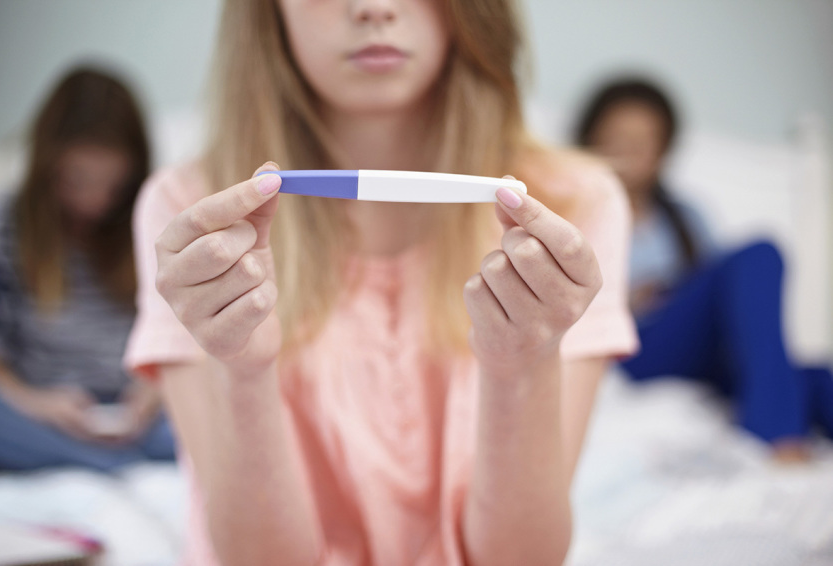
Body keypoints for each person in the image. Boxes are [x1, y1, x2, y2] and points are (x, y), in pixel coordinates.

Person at [125, 1, 637, 564]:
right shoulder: (193, 217)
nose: (373, 7)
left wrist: (525, 366)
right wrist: (243, 374)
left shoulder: (573, 208)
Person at [573, 77, 833, 459]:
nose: (629, 151)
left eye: (643, 141)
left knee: (812, 376)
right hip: (632, 346)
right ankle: (775, 437)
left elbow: (725, 296)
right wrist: (629, 299)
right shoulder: (575, 212)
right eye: (617, 137)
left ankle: (776, 417)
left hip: (698, 350)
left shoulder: (686, 218)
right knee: (759, 253)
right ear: (592, 139)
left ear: (662, 151)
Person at [0, 67, 175, 471]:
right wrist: (38, 404)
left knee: (213, 405)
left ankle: (95, 463)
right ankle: (108, 466)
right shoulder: (1, 227)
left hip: (139, 415)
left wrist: (152, 392)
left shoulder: (153, 220)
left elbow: (176, 337)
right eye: (77, 181)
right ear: (47, 165)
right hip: (40, 410)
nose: (94, 204)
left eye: (112, 188)